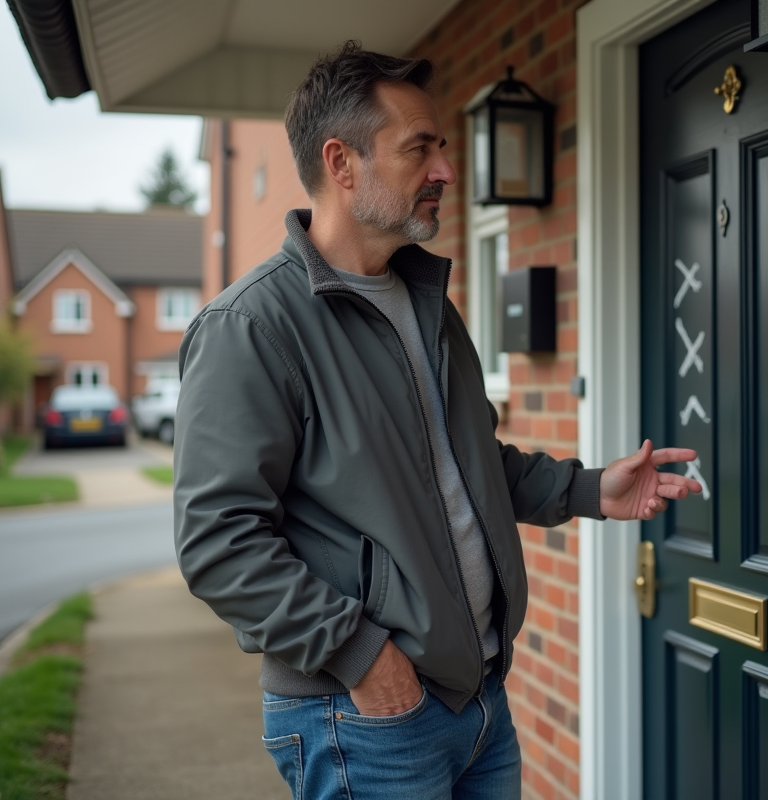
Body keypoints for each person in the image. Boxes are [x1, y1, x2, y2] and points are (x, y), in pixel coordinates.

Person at [173, 41, 701, 800]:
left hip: (478, 696)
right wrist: (361, 655)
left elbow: (468, 463)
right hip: (362, 713)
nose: (446, 172)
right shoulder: (252, 328)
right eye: (420, 148)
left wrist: (591, 489)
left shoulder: (428, 306)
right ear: (341, 162)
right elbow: (217, 540)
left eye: (442, 150)